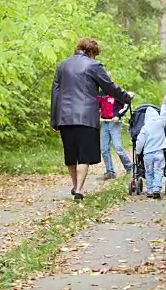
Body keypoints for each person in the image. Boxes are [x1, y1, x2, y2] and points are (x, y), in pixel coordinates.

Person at [50, 38, 134, 201]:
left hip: (65, 117)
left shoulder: (62, 66)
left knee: (71, 154)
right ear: (92, 52)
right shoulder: (94, 66)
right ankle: (80, 189)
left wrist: (54, 118)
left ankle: (75, 186)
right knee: (84, 155)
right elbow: (109, 87)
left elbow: (55, 93)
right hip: (86, 117)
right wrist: (125, 98)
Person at [135, 94, 166, 199]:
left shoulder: (145, 128)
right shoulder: (160, 123)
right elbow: (164, 114)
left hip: (147, 154)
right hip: (159, 153)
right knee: (158, 171)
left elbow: (140, 141)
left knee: (149, 172)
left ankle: (149, 190)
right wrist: (164, 103)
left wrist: (137, 151)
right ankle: (156, 189)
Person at [98, 86, 133, 179]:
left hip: (115, 123)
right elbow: (95, 105)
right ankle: (110, 171)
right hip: (104, 122)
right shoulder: (101, 94)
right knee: (104, 148)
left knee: (118, 147)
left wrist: (118, 115)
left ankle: (130, 167)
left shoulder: (116, 91)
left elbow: (127, 101)